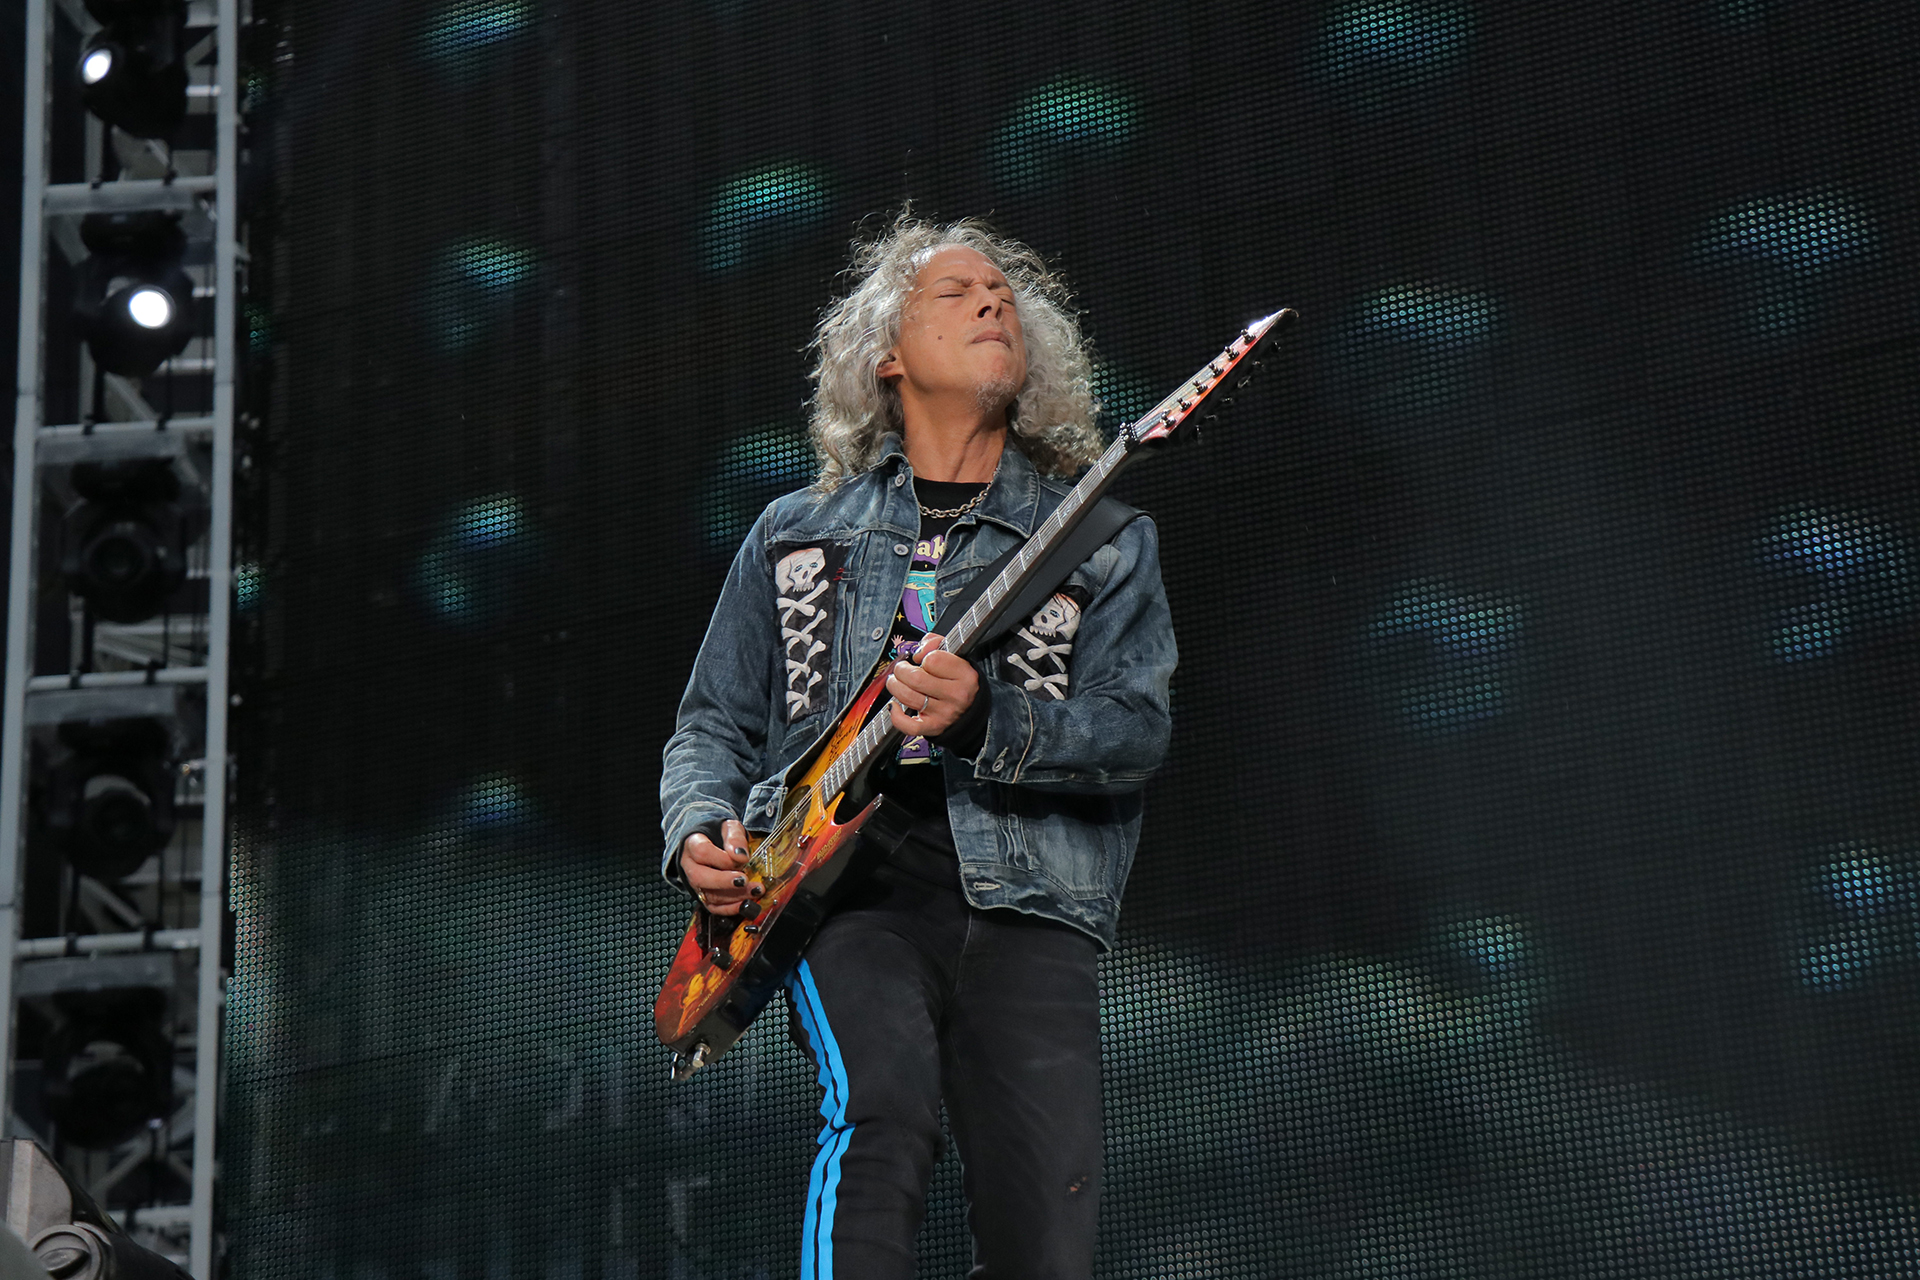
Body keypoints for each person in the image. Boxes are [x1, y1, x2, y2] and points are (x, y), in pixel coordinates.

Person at [658, 214, 1177, 1279]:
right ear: (887, 354)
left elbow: (1135, 731)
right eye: (957, 291)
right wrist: (699, 828)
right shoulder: (795, 532)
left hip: (1031, 896)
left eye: (1005, 295)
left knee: (1045, 1225)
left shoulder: (1106, 541)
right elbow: (712, 720)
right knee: (881, 1110)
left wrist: (987, 717)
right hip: (846, 885)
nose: (993, 302)